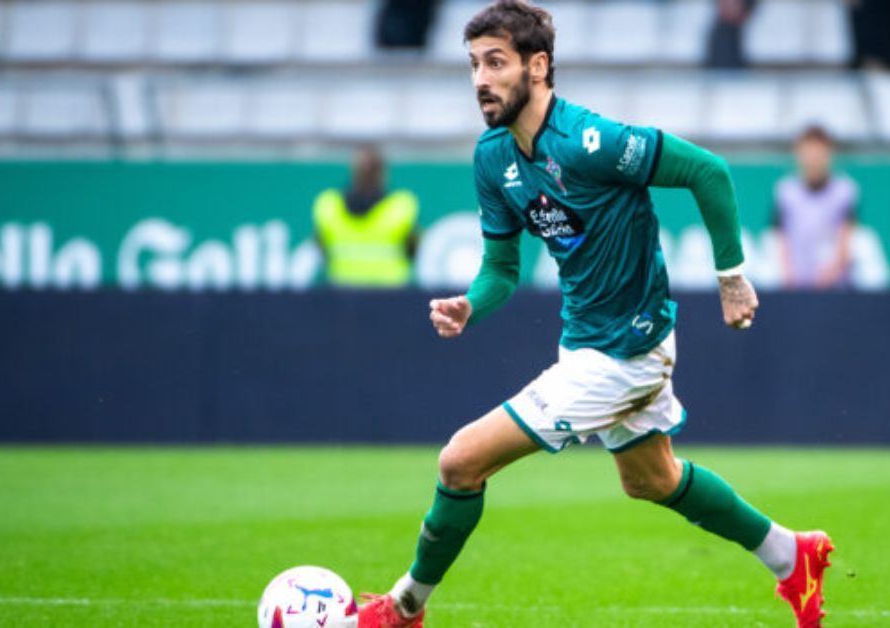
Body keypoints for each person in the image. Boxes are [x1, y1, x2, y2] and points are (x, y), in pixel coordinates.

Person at [357, 2, 833, 626]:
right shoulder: (492, 157)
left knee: (459, 460)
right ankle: (791, 555)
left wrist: (731, 278)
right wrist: (471, 304)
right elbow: (501, 270)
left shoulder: (591, 140)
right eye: (473, 64)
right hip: (586, 342)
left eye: (496, 62)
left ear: (539, 65)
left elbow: (706, 171)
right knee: (651, 479)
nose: (480, 79)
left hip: (624, 353)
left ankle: (403, 607)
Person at [313, 147, 419, 288]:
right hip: (390, 293)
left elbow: (321, 249)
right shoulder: (402, 206)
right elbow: (413, 249)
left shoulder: (328, 205)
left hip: (343, 291)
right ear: (382, 174)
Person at [772, 125, 859, 290]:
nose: (813, 160)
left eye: (818, 153)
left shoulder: (845, 191)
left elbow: (845, 240)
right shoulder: (785, 192)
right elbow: (779, 240)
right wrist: (788, 279)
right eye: (808, 153)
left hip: (835, 290)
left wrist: (829, 276)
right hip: (795, 289)